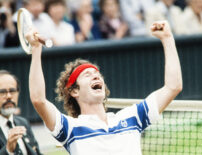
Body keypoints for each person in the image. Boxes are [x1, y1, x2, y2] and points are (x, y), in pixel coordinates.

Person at [26, 20, 182, 154]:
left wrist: (167, 38)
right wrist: (36, 50)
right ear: (74, 91)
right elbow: (38, 100)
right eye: (87, 74)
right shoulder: (70, 128)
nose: (95, 75)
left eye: (97, 74)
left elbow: (173, 87)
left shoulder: (132, 117)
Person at [0, 70, 42, 155]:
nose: (9, 96)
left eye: (12, 91)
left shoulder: (23, 122)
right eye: (2, 92)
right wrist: (8, 150)